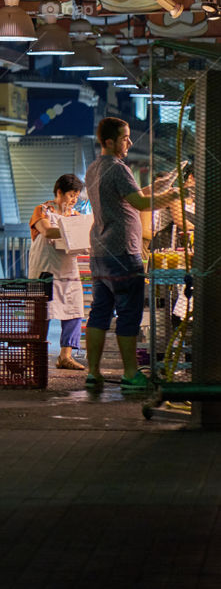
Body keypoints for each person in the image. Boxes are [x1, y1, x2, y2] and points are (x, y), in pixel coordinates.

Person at [84, 117, 181, 392]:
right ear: (109, 141)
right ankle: (130, 374)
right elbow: (139, 203)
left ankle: (93, 372)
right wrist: (173, 196)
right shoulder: (118, 167)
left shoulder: (94, 168)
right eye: (125, 137)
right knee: (128, 314)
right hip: (123, 252)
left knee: (99, 313)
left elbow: (131, 194)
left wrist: (161, 186)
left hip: (100, 253)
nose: (130, 142)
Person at [28, 173, 86, 371]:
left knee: (74, 310)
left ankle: (65, 356)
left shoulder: (76, 217)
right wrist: (75, 229)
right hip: (44, 270)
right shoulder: (42, 210)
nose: (74, 200)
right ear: (59, 192)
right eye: (71, 195)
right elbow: (47, 231)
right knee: (42, 312)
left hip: (68, 270)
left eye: (77, 196)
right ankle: (34, 354)